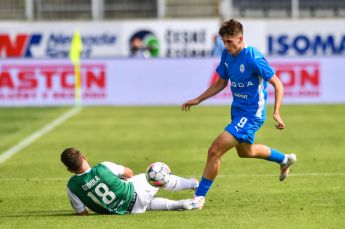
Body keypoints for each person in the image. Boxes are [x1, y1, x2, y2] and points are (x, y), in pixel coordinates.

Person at [181, 19, 297, 207]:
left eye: (229, 42)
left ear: (240, 38)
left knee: (214, 150)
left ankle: (199, 198)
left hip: (252, 114)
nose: (226, 46)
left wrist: (277, 112)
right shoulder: (227, 55)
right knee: (246, 152)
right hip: (237, 111)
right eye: (223, 42)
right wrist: (198, 99)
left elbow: (278, 83)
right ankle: (285, 159)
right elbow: (221, 83)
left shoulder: (253, 58)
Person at [60, 147, 205, 215]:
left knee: (146, 205)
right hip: (135, 192)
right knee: (154, 173)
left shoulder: (72, 187)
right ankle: (192, 184)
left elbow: (82, 213)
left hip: (129, 210)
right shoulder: (103, 167)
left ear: (69, 169)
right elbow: (129, 173)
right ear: (84, 157)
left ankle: (182, 204)